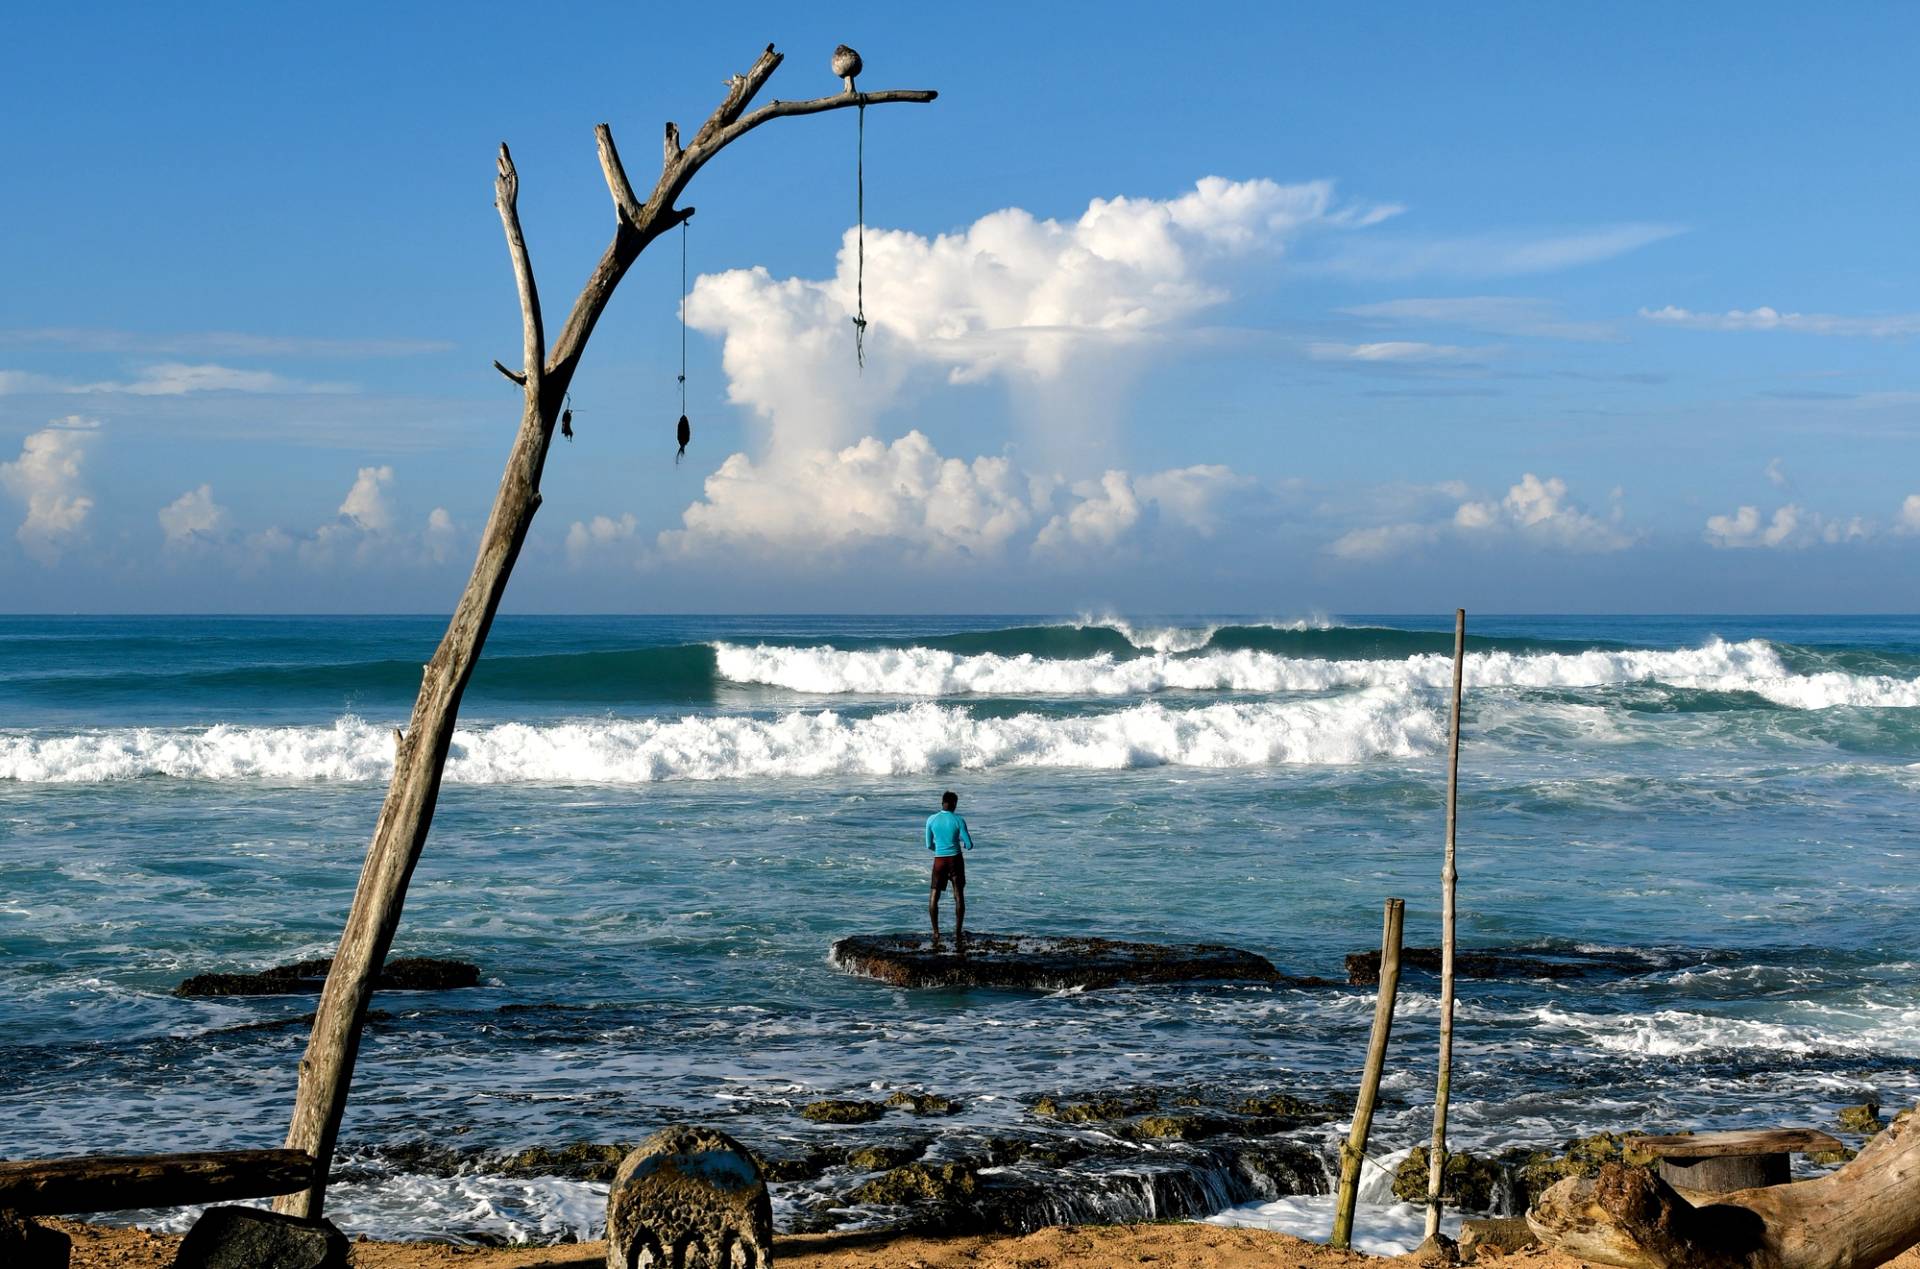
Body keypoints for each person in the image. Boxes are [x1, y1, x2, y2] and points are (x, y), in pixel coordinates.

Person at [925, 789, 974, 951]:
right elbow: (969, 844)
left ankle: (936, 932)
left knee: (934, 895)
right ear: (953, 803)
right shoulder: (958, 820)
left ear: (942, 802)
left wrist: (940, 849)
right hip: (955, 861)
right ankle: (958, 932)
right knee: (958, 895)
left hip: (939, 861)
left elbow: (928, 845)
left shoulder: (931, 819)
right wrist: (961, 843)